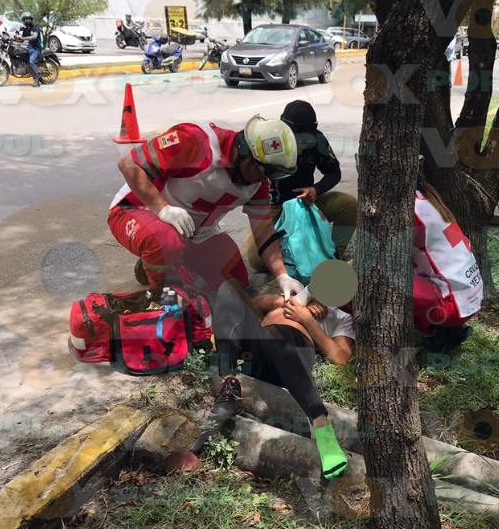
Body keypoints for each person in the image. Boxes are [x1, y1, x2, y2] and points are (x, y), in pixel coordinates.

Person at [108, 114, 305, 300]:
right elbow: (128, 164)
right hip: (135, 209)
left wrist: (282, 275)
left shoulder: (256, 185)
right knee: (165, 243)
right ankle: (162, 295)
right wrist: (163, 209)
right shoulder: (195, 141)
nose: (265, 179)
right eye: (265, 172)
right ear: (247, 156)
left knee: (235, 282)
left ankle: (167, 263)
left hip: (194, 233)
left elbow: (264, 233)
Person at [194, 280, 353, 479]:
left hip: (291, 353)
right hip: (256, 347)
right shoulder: (301, 290)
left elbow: (340, 357)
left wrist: (306, 319)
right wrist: (279, 301)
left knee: (279, 337)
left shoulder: (343, 317)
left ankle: (322, 425)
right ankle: (229, 384)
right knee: (230, 287)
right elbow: (251, 305)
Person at [246, 100, 357, 269]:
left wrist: (316, 189)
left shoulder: (317, 139)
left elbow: (334, 172)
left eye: (307, 135)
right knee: (257, 260)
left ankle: (333, 254)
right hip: (275, 208)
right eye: (298, 135)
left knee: (349, 205)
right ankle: (294, 254)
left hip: (307, 202)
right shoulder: (271, 141)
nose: (303, 141)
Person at [413, 175, 483, 353]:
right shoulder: (428, 201)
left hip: (450, 306)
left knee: (369, 277)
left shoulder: (411, 210)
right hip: (467, 296)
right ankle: (449, 331)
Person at [17, 12, 44, 88]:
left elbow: (34, 36)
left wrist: (23, 38)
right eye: (25, 19)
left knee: (31, 62)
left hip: (36, 49)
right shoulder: (26, 29)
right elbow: (22, 40)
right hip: (30, 48)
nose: (27, 21)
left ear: (31, 19)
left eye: (28, 19)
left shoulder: (36, 27)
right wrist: (12, 38)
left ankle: (36, 80)